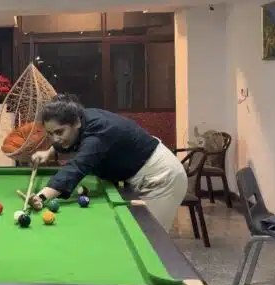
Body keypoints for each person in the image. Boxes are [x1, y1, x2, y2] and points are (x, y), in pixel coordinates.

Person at [29, 94, 187, 231]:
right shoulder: (80, 118)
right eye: (50, 133)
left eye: (59, 132)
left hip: (162, 177)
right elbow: (68, 141)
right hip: (141, 172)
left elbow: (77, 166)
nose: (55, 139)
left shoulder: (99, 130)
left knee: (151, 237)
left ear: (76, 122)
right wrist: (49, 152)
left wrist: (42, 197)